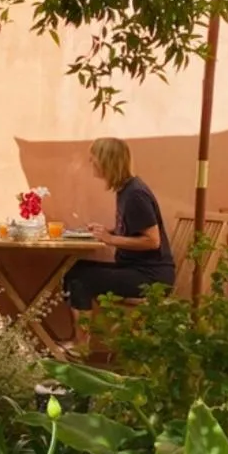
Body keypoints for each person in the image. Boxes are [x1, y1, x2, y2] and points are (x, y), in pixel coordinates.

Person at [64, 137, 175, 343]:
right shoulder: (125, 189)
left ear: (107, 161)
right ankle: (78, 342)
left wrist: (110, 239)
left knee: (80, 280)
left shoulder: (135, 194)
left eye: (94, 158)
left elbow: (152, 241)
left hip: (150, 279)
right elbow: (133, 229)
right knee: (75, 270)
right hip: (137, 270)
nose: (91, 163)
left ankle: (80, 348)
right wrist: (109, 230)